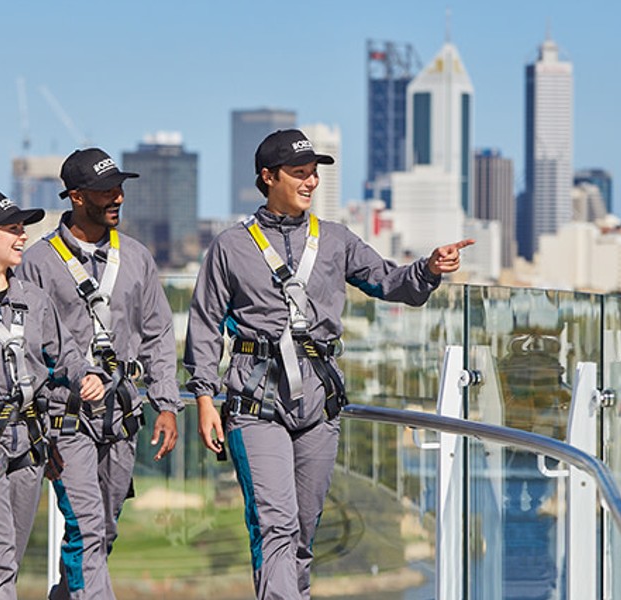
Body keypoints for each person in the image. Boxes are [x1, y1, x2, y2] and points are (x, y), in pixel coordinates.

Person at [184, 129, 474, 599]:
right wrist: (203, 397)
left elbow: (388, 281)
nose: (311, 182)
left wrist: (428, 269)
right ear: (267, 177)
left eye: (314, 173)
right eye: (299, 173)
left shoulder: (336, 240)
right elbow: (203, 324)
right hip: (255, 403)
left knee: (300, 530)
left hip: (319, 404)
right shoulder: (230, 247)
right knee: (274, 525)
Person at [18, 148, 183, 600]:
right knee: (86, 527)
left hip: (123, 415)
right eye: (105, 191)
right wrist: (39, 428)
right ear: (75, 197)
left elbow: (158, 334)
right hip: (66, 419)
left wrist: (166, 403)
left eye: (120, 188)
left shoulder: (136, 257)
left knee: (103, 530)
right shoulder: (37, 263)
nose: (117, 198)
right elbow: (29, 351)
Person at [0, 191, 105, 600]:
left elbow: (65, 356)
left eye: (23, 228)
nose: (23, 236)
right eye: (13, 229)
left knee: (5, 560)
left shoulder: (33, 299)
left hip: (28, 448)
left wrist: (87, 376)